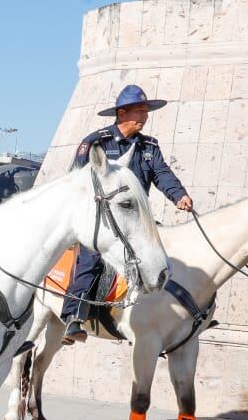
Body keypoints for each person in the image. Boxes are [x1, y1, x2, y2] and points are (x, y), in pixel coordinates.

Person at [60, 85, 192, 343]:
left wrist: (179, 195)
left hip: (135, 220)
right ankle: (73, 316)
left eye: (146, 111)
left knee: (164, 254)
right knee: (92, 260)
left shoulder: (149, 146)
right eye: (140, 111)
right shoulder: (96, 142)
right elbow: (74, 180)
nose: (144, 116)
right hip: (102, 220)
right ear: (121, 113)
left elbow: (162, 173)